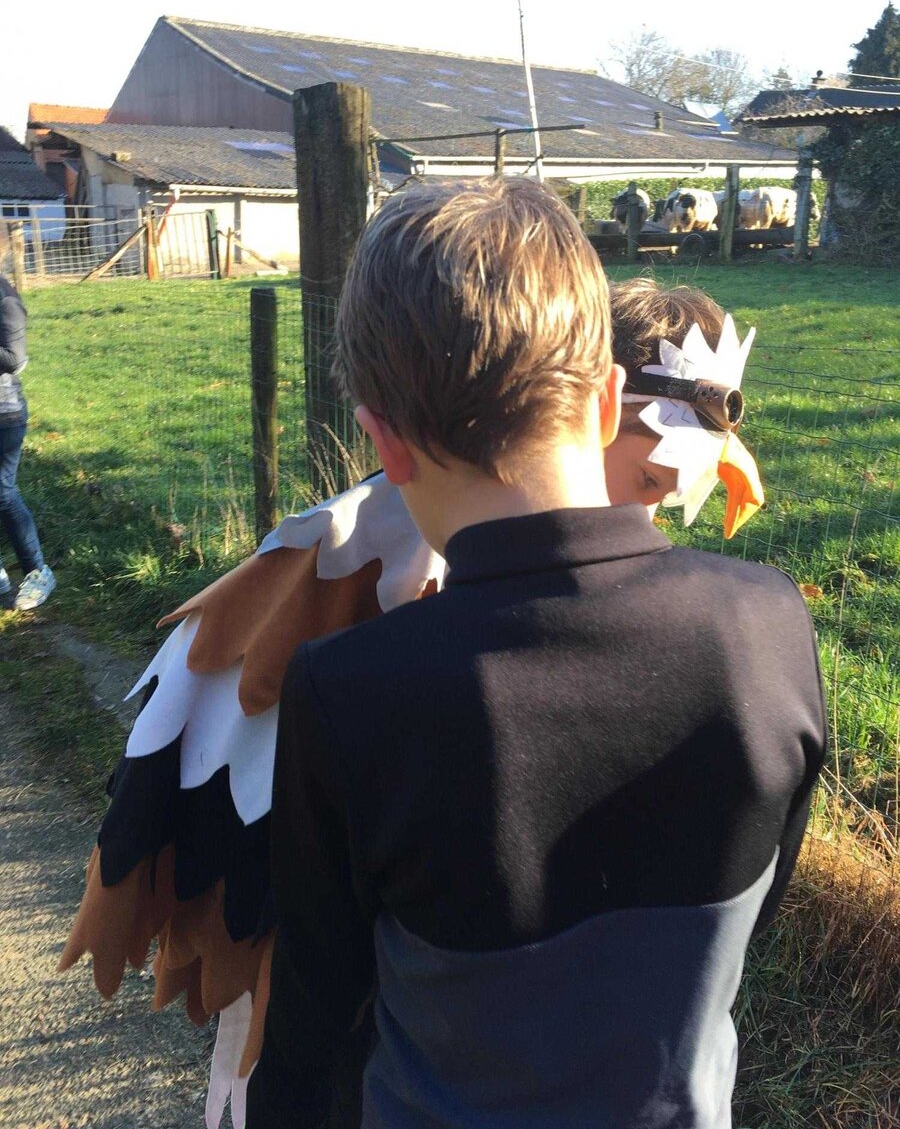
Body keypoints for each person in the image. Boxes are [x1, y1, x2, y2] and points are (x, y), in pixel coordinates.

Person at [60, 262, 768, 1129]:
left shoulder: (687, 619)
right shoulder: (349, 554)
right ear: (594, 407)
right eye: (647, 485)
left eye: (666, 500)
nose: (642, 525)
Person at [241, 178, 826, 1126]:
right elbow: (751, 919)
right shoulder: (770, 626)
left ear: (384, 441)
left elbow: (316, 1021)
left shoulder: (347, 691)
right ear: (608, 401)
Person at [0, 270, 56, 610]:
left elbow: (14, 359)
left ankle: (38, 572)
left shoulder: (6, 300)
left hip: (4, 415)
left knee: (3, 493)